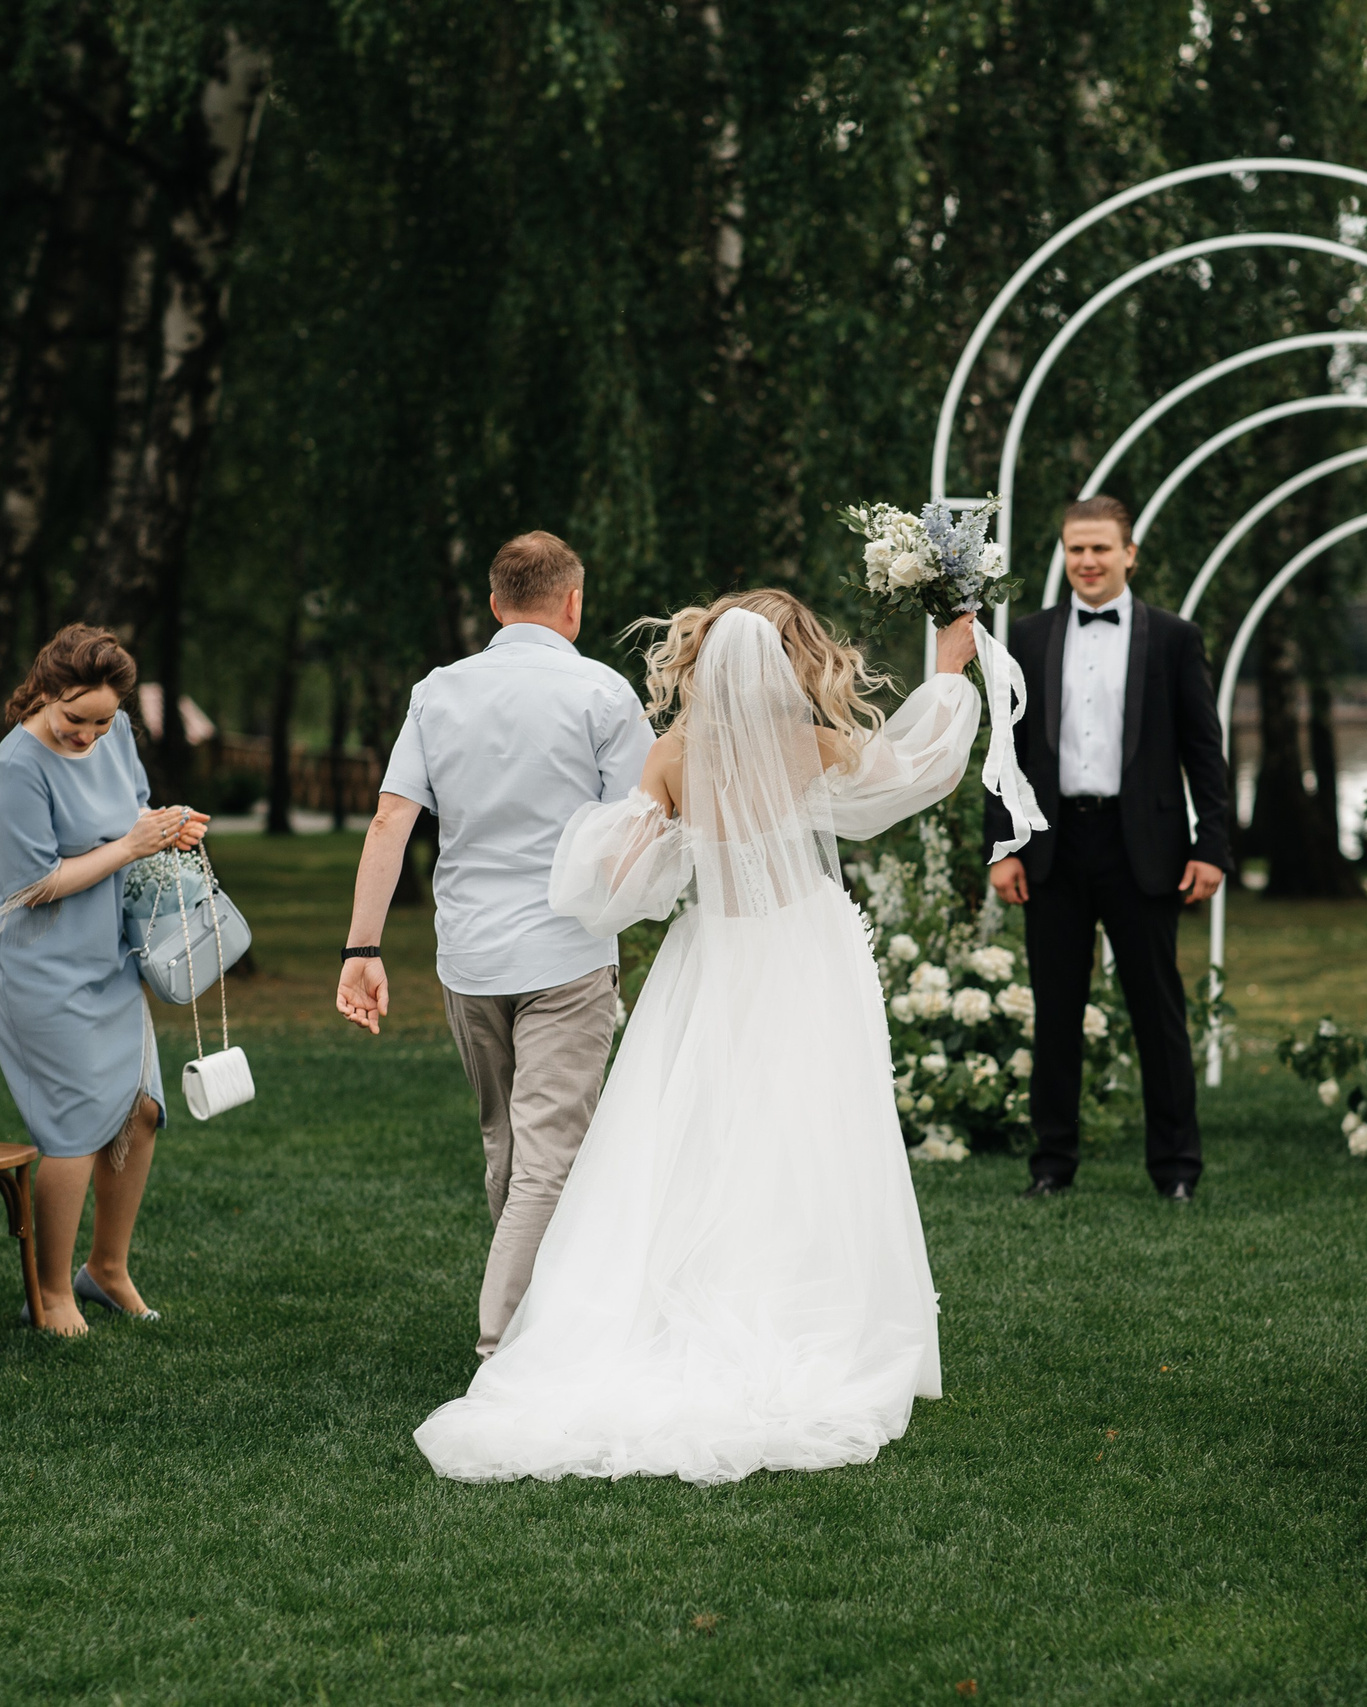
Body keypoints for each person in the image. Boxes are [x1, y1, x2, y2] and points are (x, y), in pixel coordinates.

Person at [411, 595, 981, 1484]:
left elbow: (619, 877)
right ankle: (808, 1308)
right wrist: (949, 673)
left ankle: (667, 1309)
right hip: (805, 952)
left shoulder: (673, 754)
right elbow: (919, 771)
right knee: (811, 1130)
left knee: (695, 1134)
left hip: (709, 955)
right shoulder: (817, 745)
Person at [338, 532, 656, 1361]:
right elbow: (638, 827)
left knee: (507, 1145)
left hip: (470, 955)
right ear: (574, 602)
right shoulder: (603, 692)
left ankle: (539, 1313)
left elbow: (390, 820)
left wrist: (359, 950)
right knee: (548, 1156)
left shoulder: (439, 691)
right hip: (567, 951)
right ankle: (504, 1345)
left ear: (494, 603)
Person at [982, 495, 1234, 1202]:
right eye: (1075, 549)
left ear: (1130, 554)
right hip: (1050, 847)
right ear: (1063, 553)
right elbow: (1005, 749)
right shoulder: (1028, 638)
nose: (1087, 562)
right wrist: (1002, 847)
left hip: (1144, 846)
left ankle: (1177, 1169)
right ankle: (1051, 1165)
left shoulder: (1175, 638)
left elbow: (1203, 751)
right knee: (1055, 1010)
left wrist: (1210, 845)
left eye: (1100, 549)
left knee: (1158, 1011)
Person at [0, 625, 208, 1337]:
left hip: (112, 952)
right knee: (75, 1125)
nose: (88, 734)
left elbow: (130, 815)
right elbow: (34, 884)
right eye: (74, 718)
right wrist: (129, 844)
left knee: (140, 1110)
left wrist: (165, 827)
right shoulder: (15, 767)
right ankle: (50, 1294)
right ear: (44, 691)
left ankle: (105, 1268)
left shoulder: (118, 734)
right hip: (41, 963)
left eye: (102, 721)